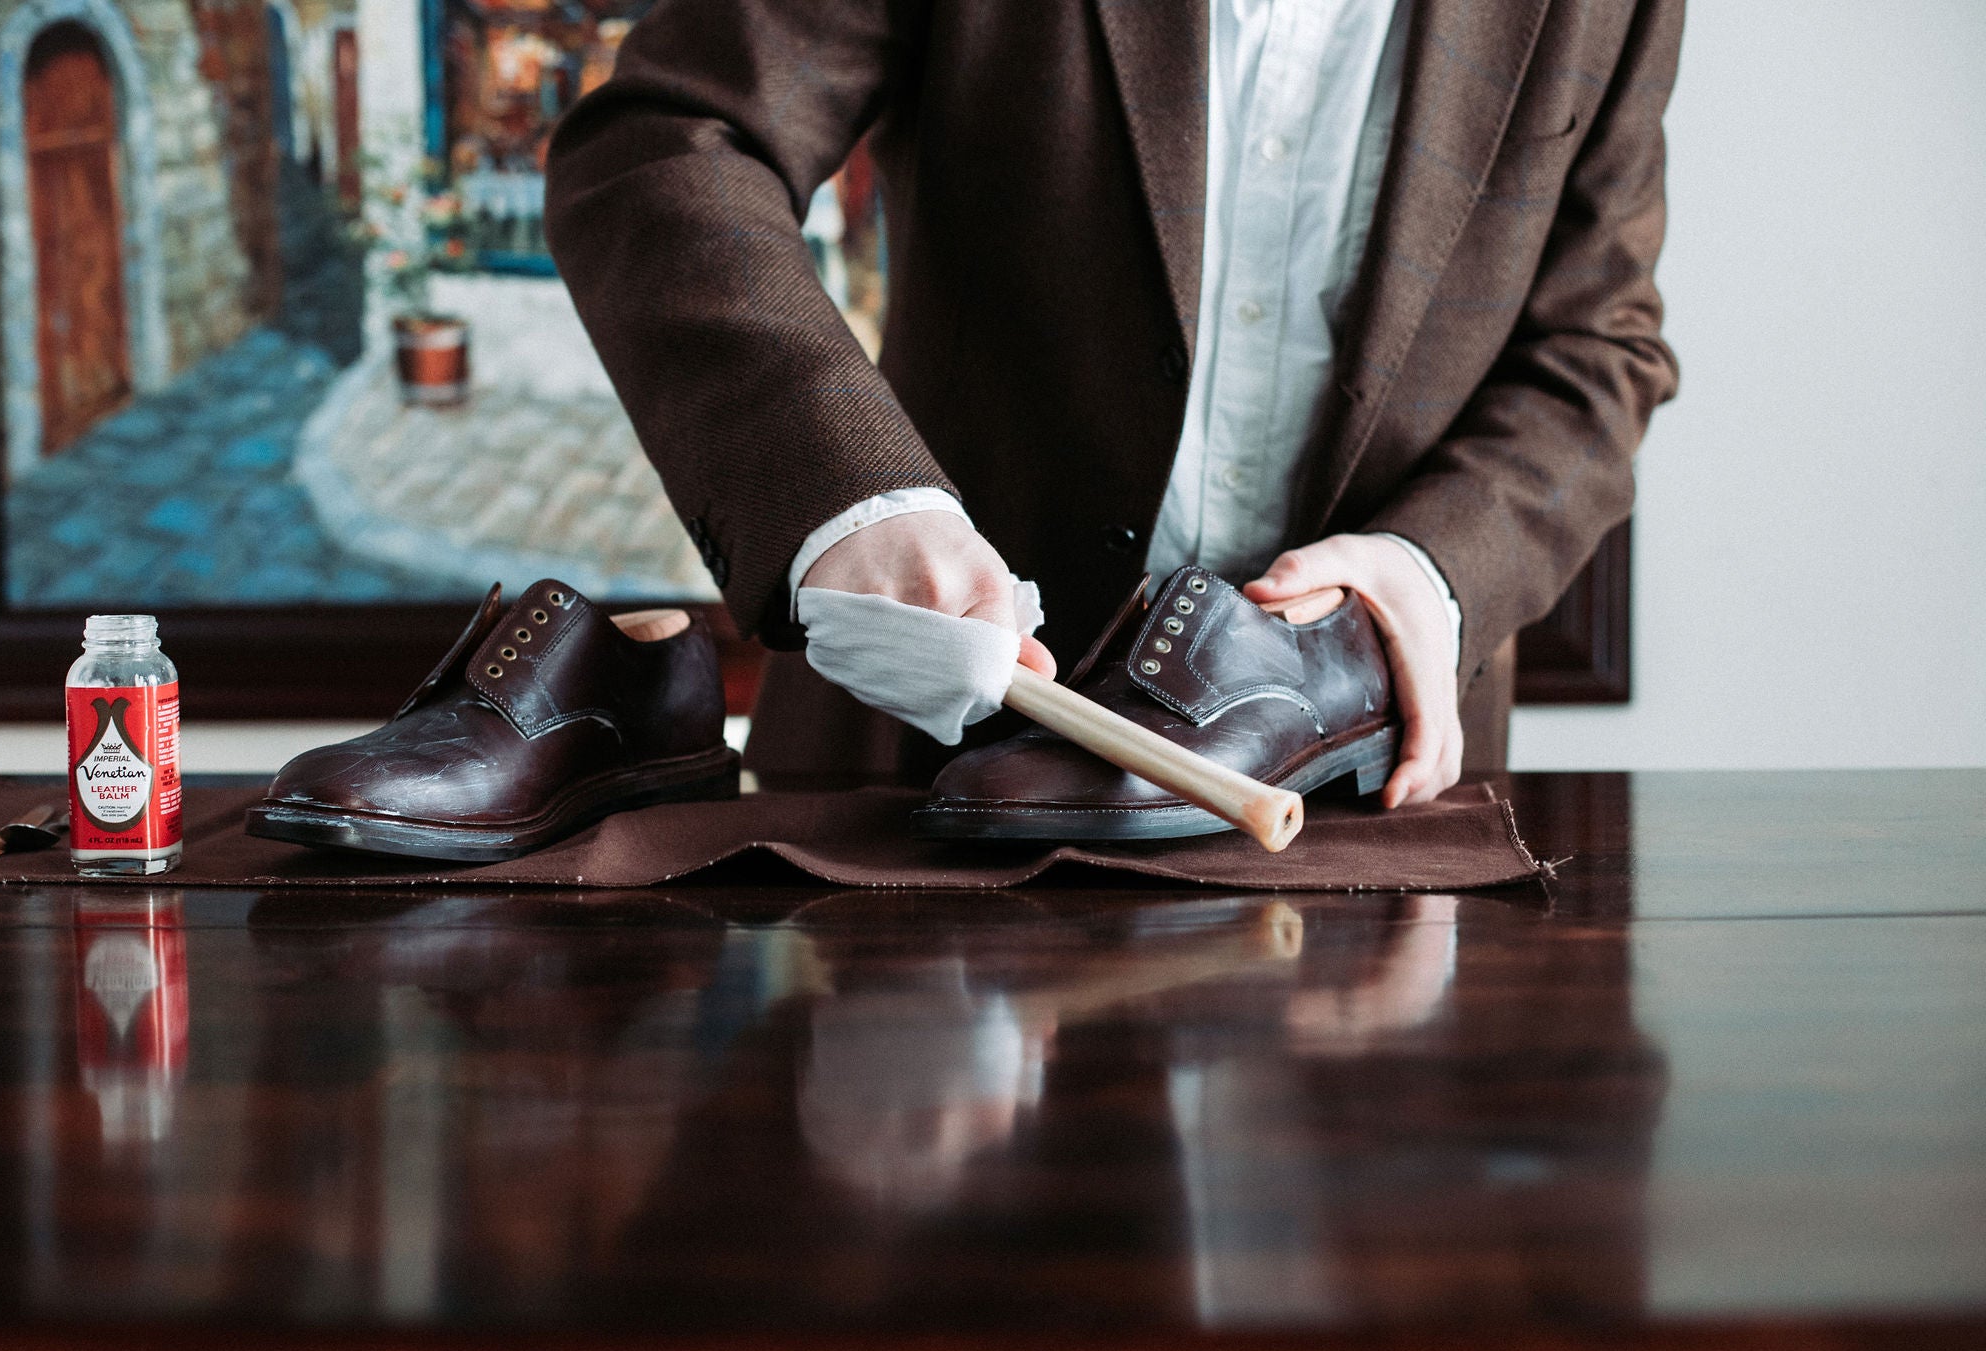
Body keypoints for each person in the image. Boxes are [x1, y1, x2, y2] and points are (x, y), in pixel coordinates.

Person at [545, 0, 1682, 801]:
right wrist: (849, 498)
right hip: (919, 773)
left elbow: (1595, 343)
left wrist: (1438, 571)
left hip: (1374, 791)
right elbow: (666, 145)